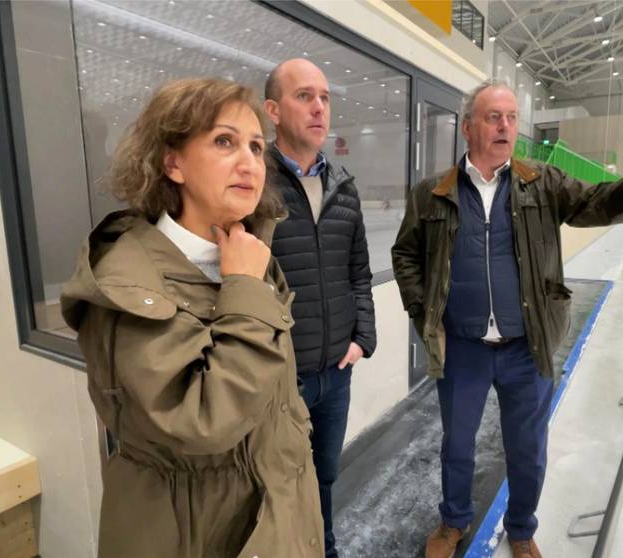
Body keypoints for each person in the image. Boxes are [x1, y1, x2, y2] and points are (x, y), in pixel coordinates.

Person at [391, 79, 623, 558]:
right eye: (493, 117)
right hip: (462, 350)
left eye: (512, 117)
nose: (505, 126)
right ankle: (453, 521)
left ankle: (521, 529)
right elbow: (405, 254)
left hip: (528, 347)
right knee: (457, 445)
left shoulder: (542, 182)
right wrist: (423, 311)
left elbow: (598, 201)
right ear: (468, 127)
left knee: (528, 448)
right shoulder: (431, 193)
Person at [61, 78, 324, 558]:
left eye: (256, 146)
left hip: (279, 516)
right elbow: (204, 419)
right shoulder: (130, 284)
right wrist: (245, 288)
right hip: (197, 535)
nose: (249, 162)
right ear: (173, 163)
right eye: (224, 141)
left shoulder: (246, 254)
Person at [262, 58, 377, 558]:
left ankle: (324, 549)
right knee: (277, 486)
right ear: (273, 110)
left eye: (325, 98)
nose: (318, 108)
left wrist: (362, 339)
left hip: (336, 373)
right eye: (304, 96)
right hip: (281, 381)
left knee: (325, 477)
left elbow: (359, 273)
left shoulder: (343, 188)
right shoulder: (255, 187)